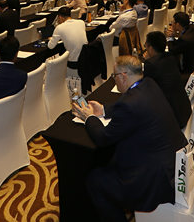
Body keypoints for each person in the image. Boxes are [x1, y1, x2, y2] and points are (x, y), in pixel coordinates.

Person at [72, 55, 186, 222]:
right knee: (112, 159)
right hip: (173, 163)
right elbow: (127, 106)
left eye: (114, 76)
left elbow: (103, 138)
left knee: (95, 181)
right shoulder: (149, 84)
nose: (115, 80)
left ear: (123, 76)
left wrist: (89, 117)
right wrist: (103, 110)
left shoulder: (130, 104)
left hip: (156, 181)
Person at [143, 31, 191, 129]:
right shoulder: (171, 57)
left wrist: (147, 60)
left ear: (150, 48)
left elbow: (145, 89)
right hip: (184, 110)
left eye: (146, 46)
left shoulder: (151, 64)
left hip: (172, 119)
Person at [47, 6, 88, 77]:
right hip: (86, 57)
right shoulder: (81, 22)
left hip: (73, 62)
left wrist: (51, 39)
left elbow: (50, 46)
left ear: (60, 17)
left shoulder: (59, 27)